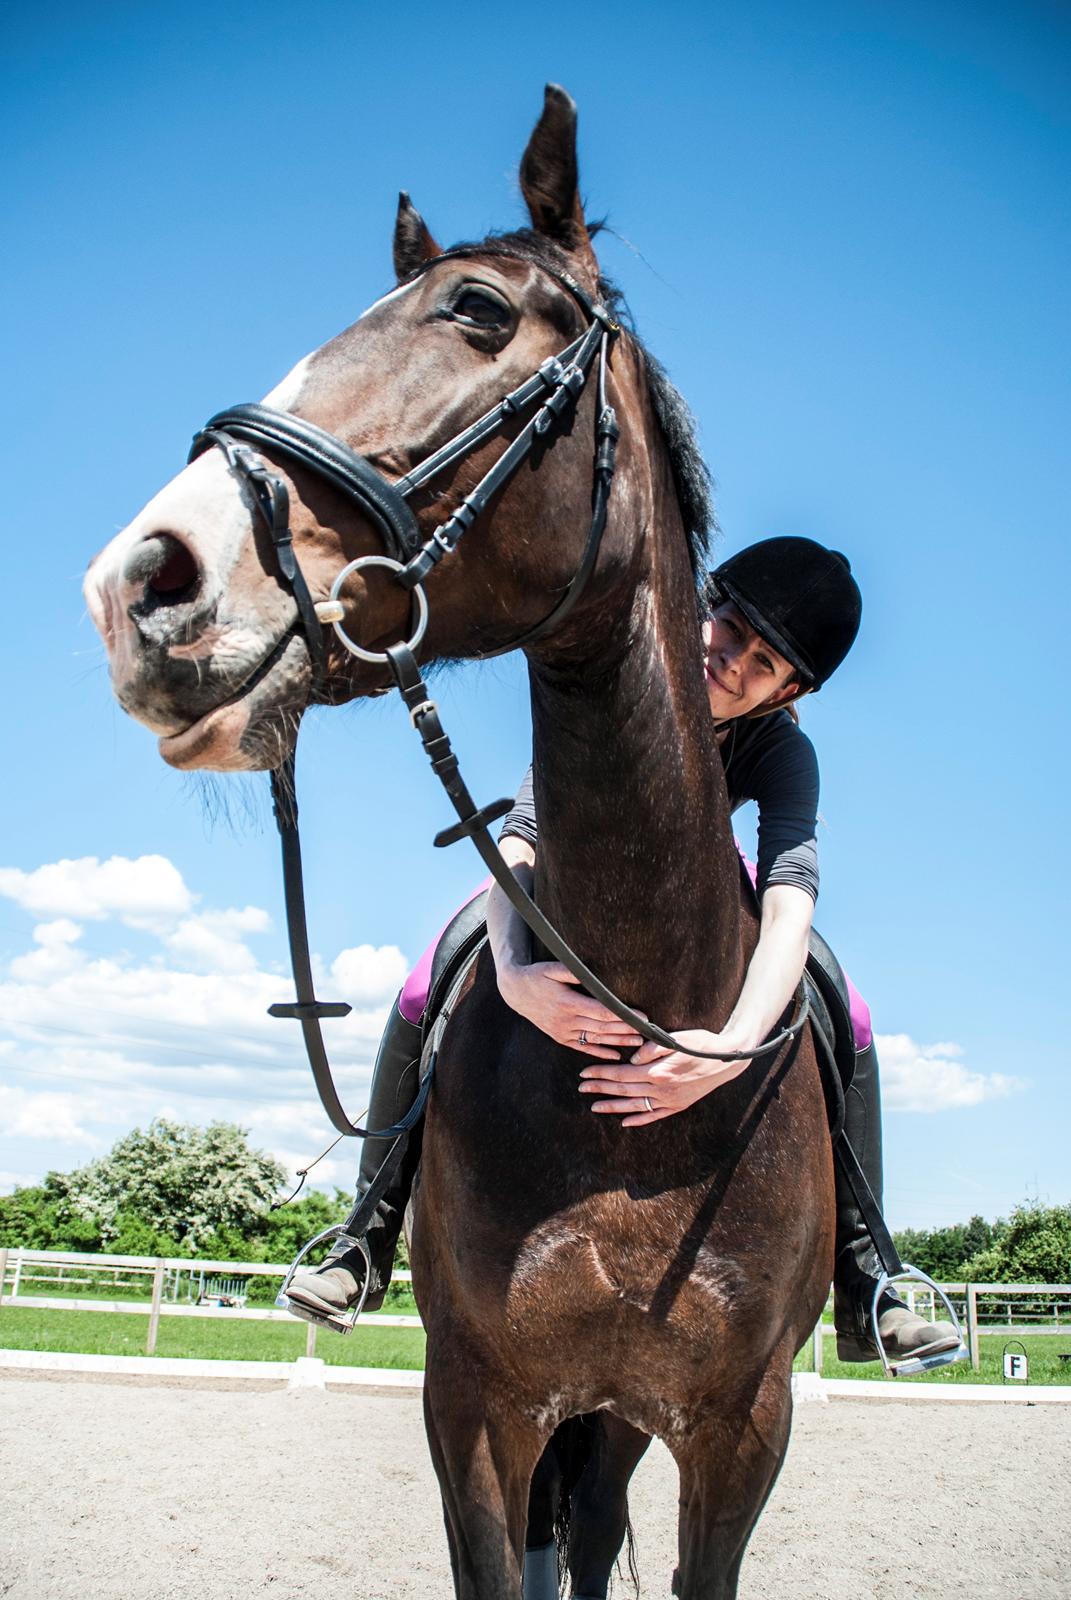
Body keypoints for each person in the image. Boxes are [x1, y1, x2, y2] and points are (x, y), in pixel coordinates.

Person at [284, 536, 959, 1364]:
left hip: (713, 886)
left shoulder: (782, 752)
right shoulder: (610, 689)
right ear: (704, 605)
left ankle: (866, 1277)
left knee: (844, 1006)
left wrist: (732, 1048)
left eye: (765, 662)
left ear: (792, 688)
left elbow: (787, 906)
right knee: (433, 972)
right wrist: (511, 971)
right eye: (731, 627)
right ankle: (367, 1233)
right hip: (555, 874)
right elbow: (521, 840)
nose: (733, 661)